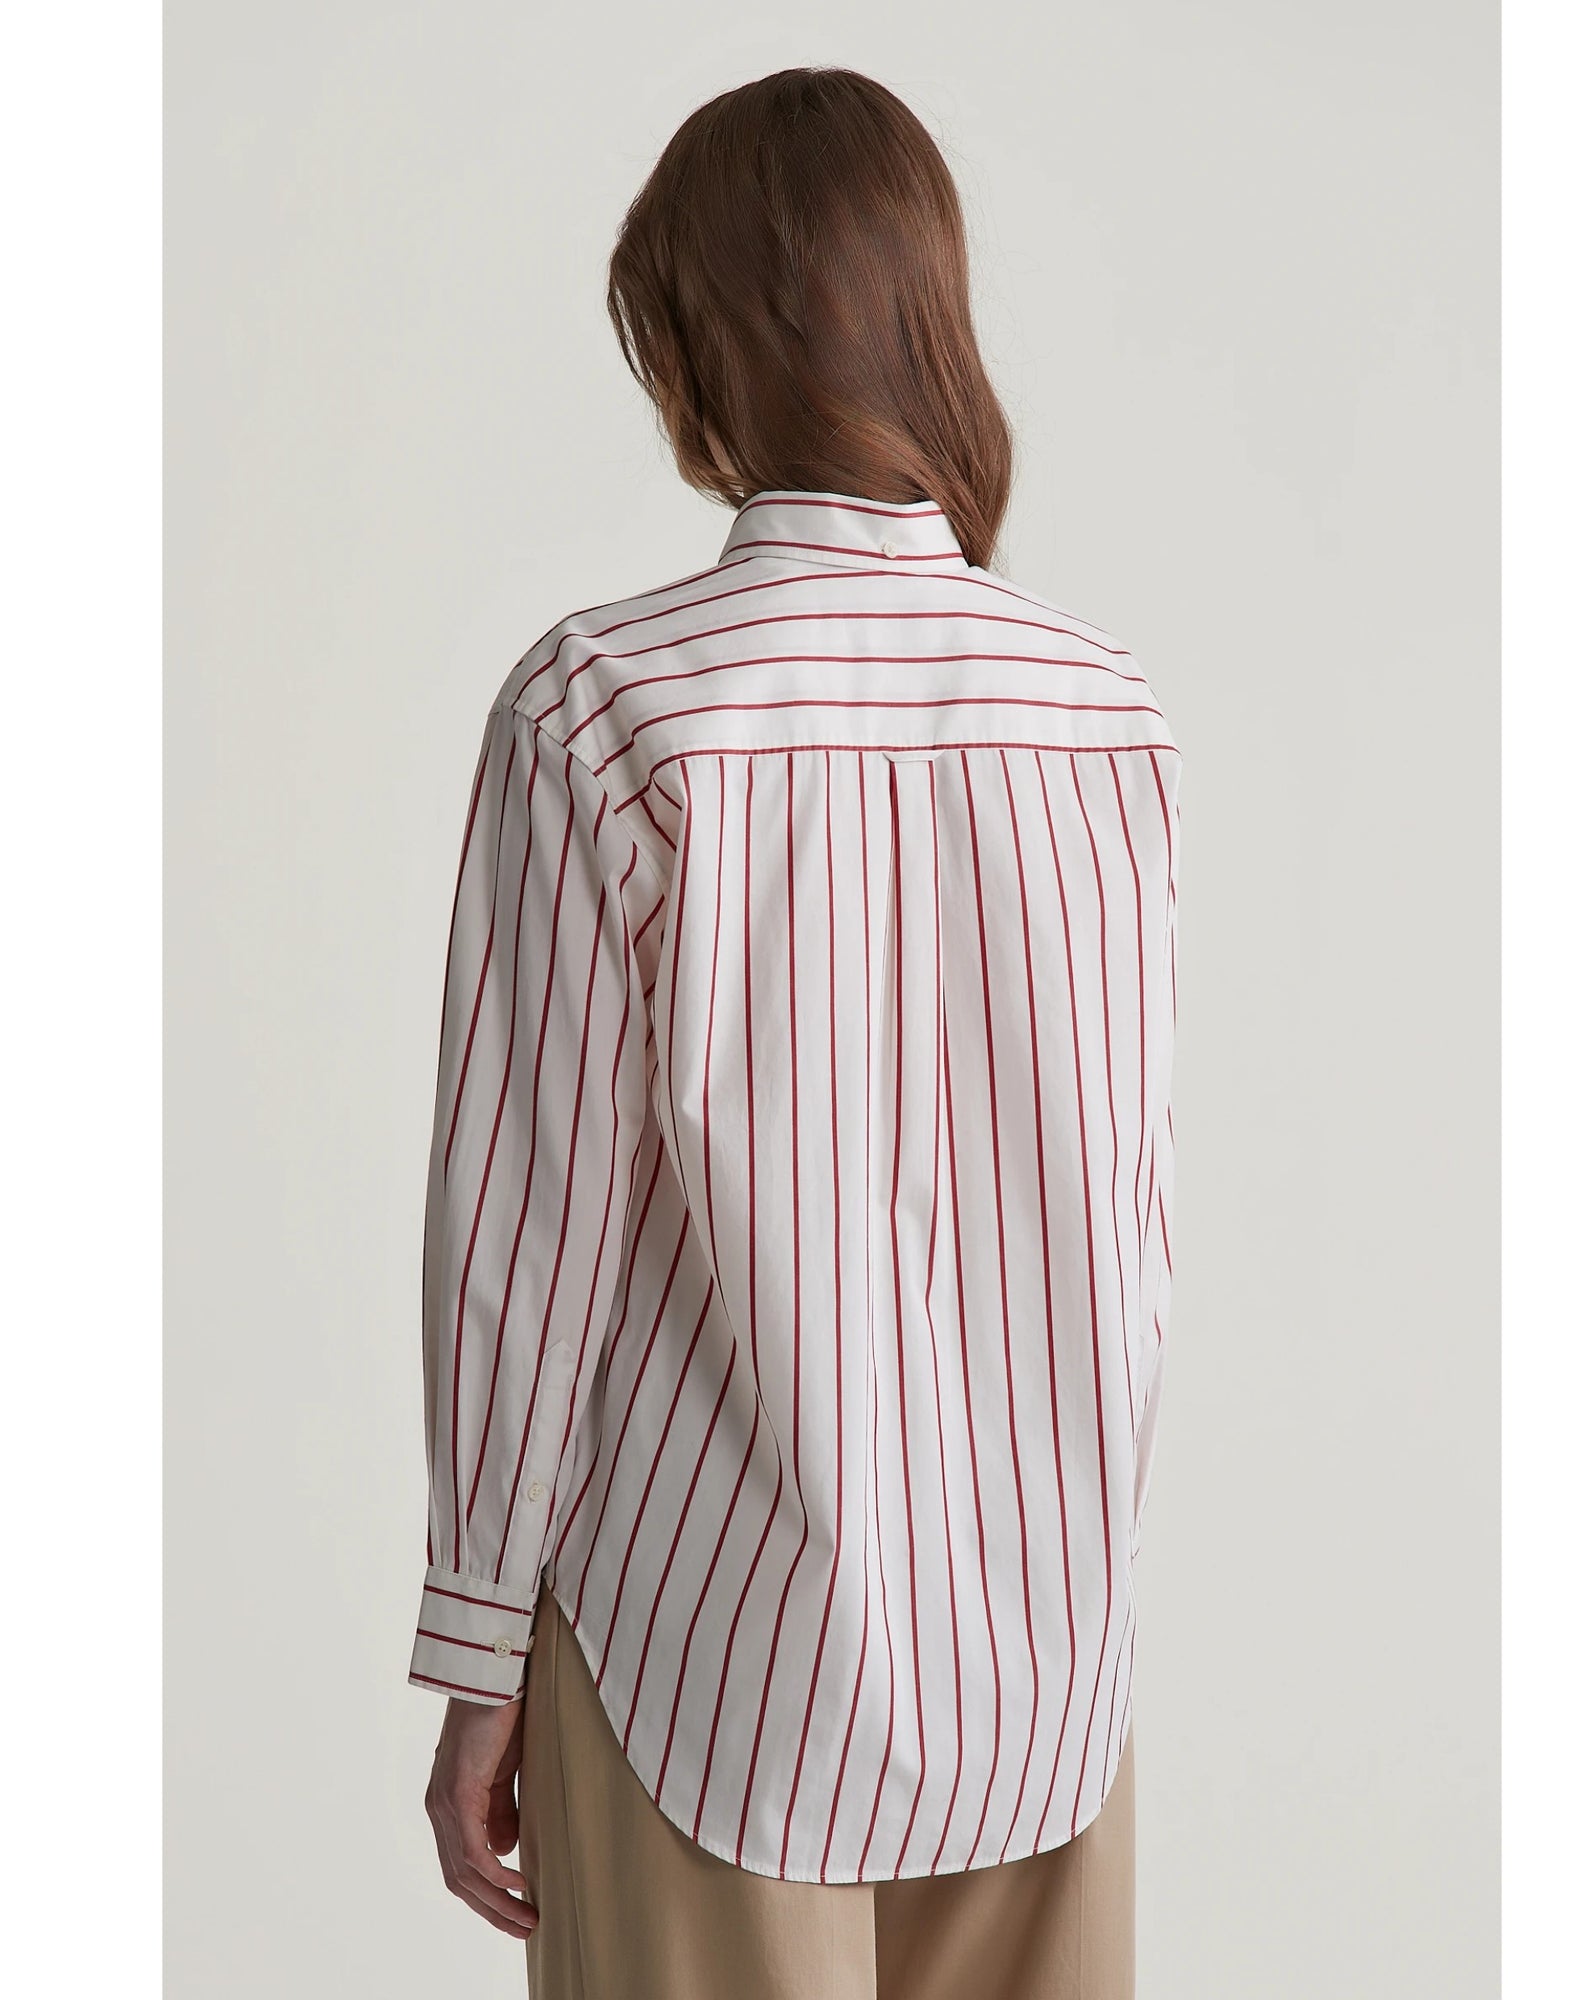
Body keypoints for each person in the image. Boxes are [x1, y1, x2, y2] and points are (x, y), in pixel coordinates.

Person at [410, 66, 1179, 2000]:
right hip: (1044, 1655)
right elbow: (1130, 1208)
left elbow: (529, 1230)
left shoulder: (608, 706)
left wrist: (480, 1646)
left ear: (694, 344)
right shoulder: (1105, 713)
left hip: (705, 1649)